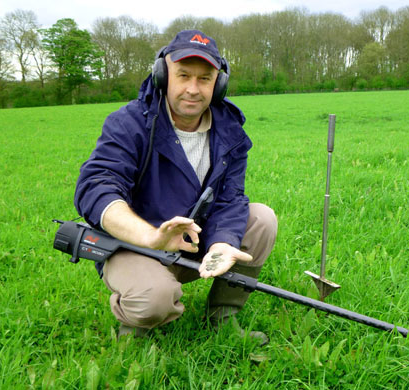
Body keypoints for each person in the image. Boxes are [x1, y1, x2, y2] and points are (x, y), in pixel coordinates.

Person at [74, 29, 277, 344]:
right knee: (155, 298)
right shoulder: (129, 123)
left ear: (218, 84)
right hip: (134, 247)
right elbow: (96, 188)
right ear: (162, 75)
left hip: (191, 244)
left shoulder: (230, 130)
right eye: (183, 75)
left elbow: (230, 199)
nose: (193, 89)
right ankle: (134, 329)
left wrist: (223, 243)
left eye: (205, 79)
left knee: (262, 220)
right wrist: (152, 237)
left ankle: (223, 318)